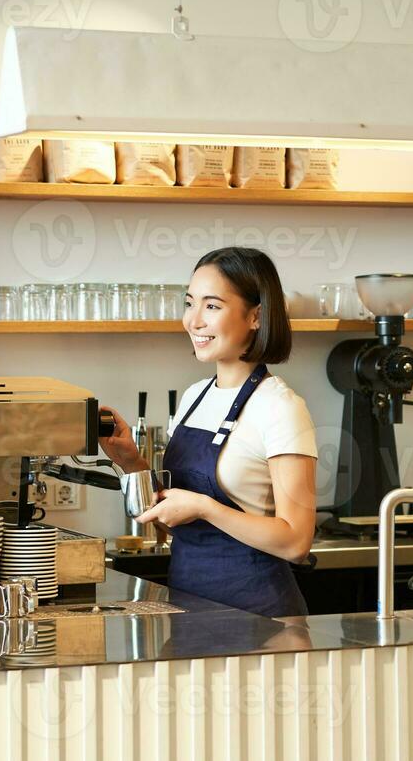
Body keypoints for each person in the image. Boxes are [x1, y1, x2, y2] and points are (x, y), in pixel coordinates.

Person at [98, 246, 316, 617]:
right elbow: (172, 524)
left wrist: (205, 507)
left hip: (260, 618)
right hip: (189, 604)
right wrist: (129, 460)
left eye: (212, 306)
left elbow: (296, 541)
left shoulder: (281, 407)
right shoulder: (194, 397)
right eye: (189, 303)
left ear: (256, 316)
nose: (193, 321)